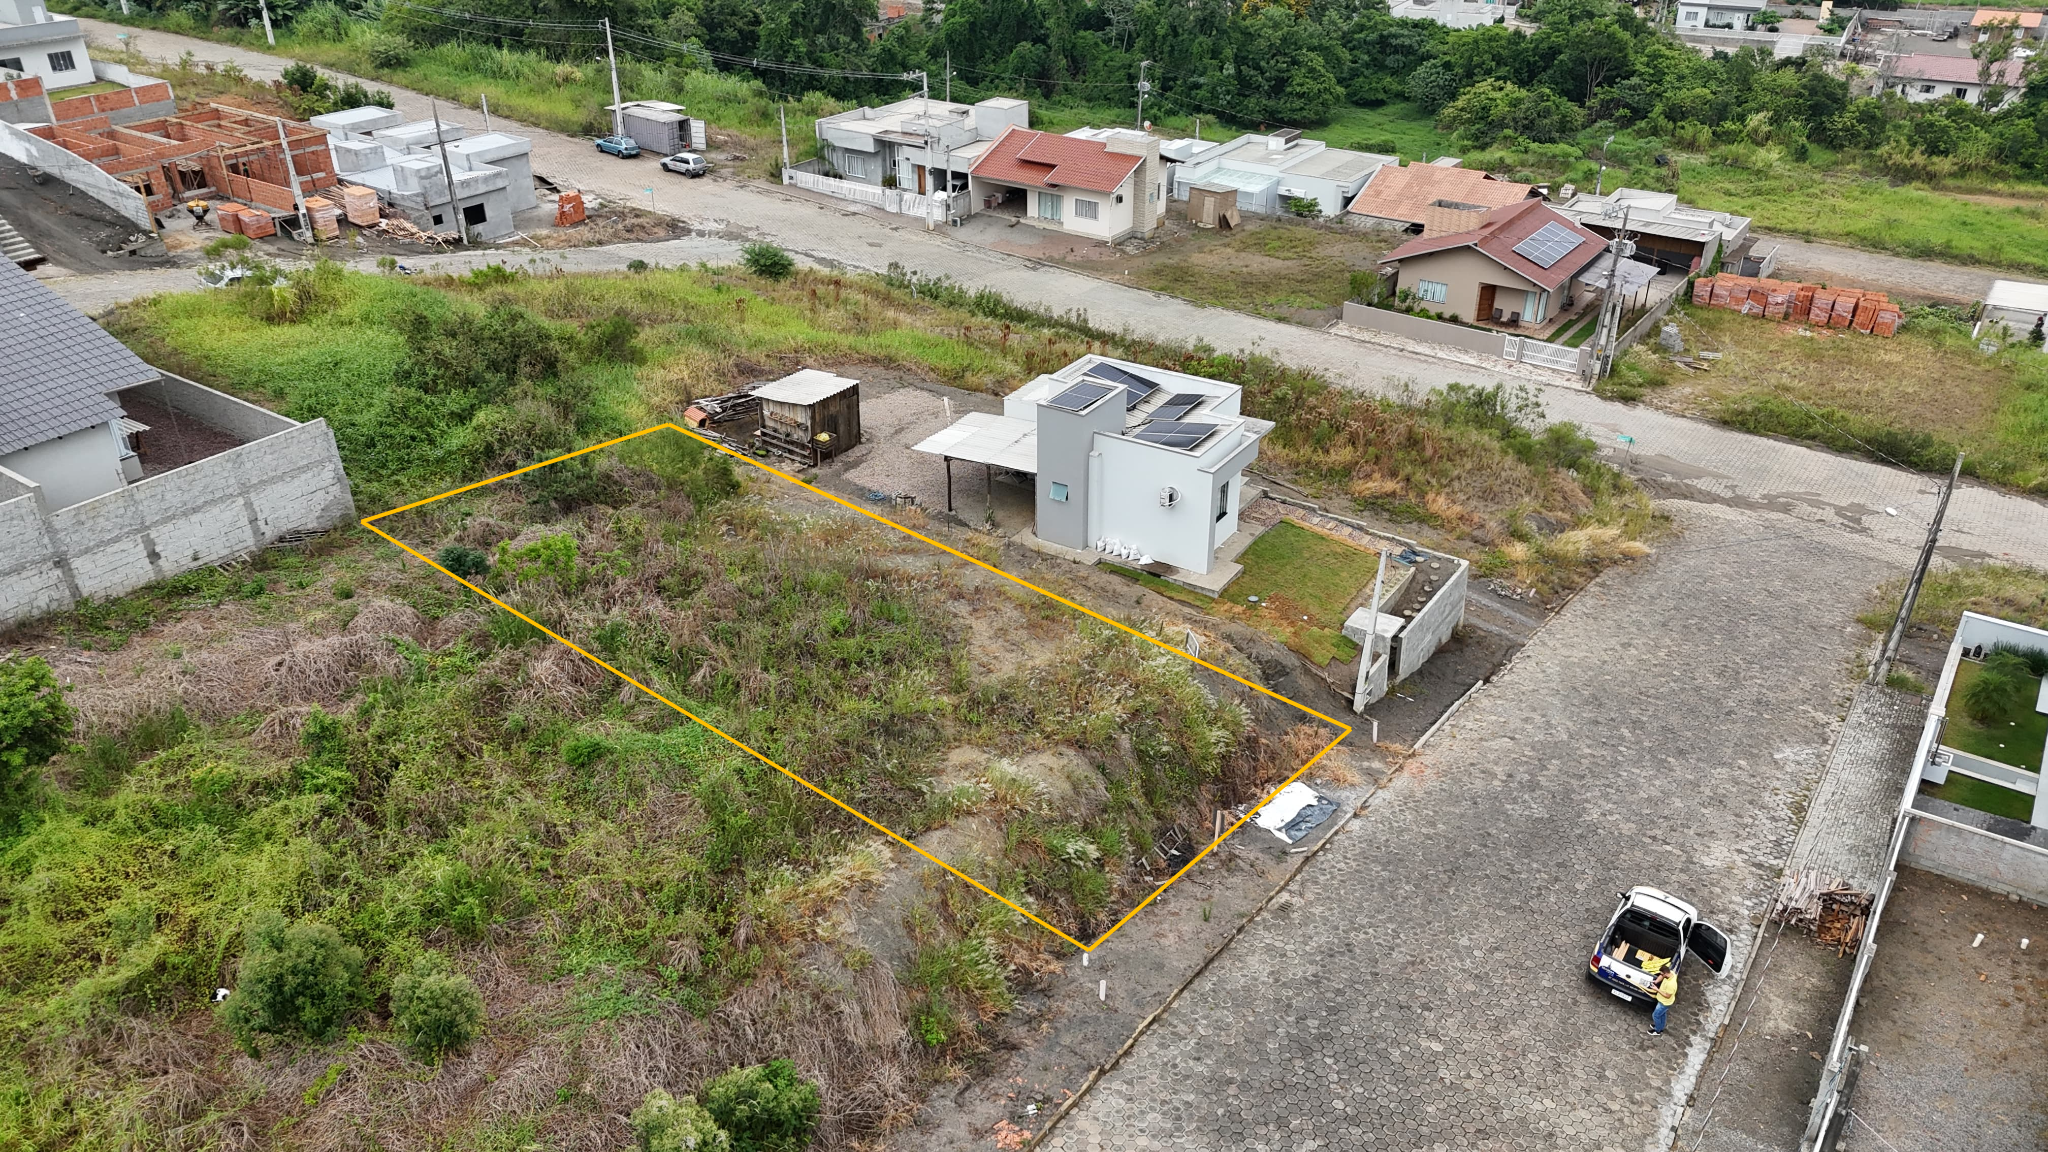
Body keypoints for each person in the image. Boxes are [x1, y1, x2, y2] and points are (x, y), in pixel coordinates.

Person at [1649, 968, 1676, 1036]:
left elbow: (1667, 996)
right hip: (1663, 1001)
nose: (1661, 975)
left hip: (1664, 1003)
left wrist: (1657, 989)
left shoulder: (1671, 984)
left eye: (1662, 974)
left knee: (1655, 1015)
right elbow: (1661, 976)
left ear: (1666, 974)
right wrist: (1656, 981)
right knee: (1662, 1014)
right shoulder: (1670, 973)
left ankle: (1657, 1030)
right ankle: (1661, 1027)